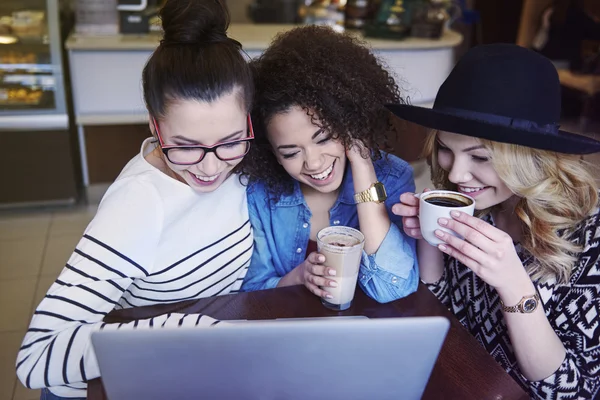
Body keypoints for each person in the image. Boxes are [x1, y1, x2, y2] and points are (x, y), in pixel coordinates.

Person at [16, 1, 253, 398]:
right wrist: (178, 328)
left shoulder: (245, 161)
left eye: (229, 142)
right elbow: (35, 358)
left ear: (249, 120)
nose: (211, 168)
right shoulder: (140, 204)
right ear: (153, 123)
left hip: (202, 367)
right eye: (185, 146)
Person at [389, 43, 600, 399]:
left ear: (530, 158)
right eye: (445, 149)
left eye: (480, 157)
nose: (456, 173)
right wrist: (429, 238)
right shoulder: (480, 205)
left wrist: (514, 285)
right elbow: (444, 314)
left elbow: (573, 392)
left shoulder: (588, 241)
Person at [240, 26, 418, 303]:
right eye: (290, 153)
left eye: (323, 138)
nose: (313, 163)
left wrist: (362, 164)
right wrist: (296, 279)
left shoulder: (393, 178)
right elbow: (251, 291)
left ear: (349, 120)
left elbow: (393, 289)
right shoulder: (261, 194)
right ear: (271, 153)